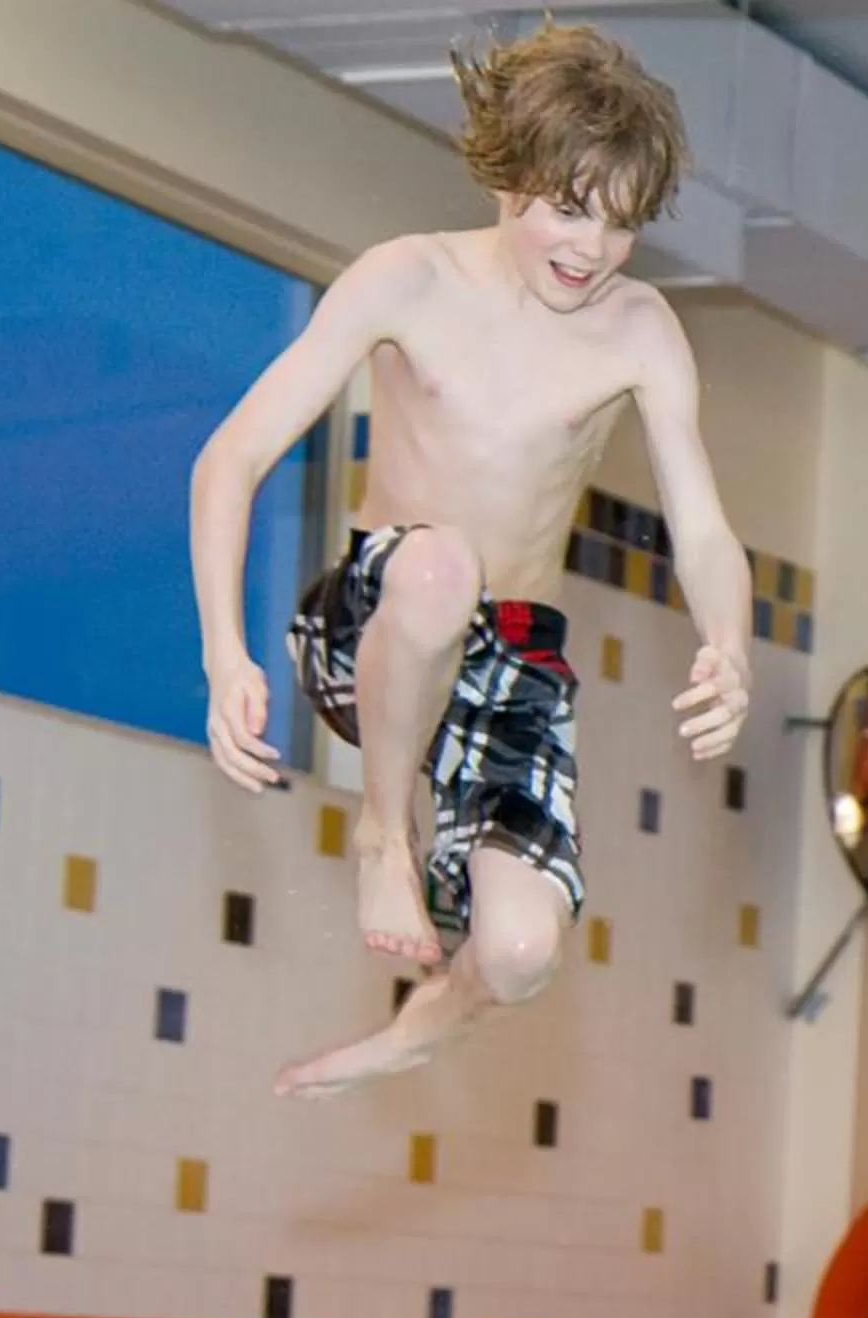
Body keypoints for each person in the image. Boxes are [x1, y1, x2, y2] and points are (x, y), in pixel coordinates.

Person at [186, 22, 751, 1098]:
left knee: (523, 950)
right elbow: (231, 460)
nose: (591, 250)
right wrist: (224, 649)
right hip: (376, 617)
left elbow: (706, 527)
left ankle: (423, 1025)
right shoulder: (408, 279)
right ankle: (382, 838)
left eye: (622, 224)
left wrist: (729, 640)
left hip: (513, 659)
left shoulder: (640, 329)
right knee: (442, 571)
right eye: (571, 210)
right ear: (510, 177)